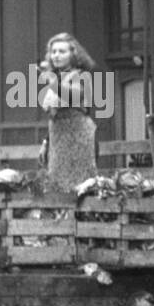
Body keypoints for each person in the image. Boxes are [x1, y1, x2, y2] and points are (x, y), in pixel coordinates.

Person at [39, 32, 99, 192]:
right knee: (56, 186)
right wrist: (46, 141)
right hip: (58, 139)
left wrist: (54, 84)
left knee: (79, 186)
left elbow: (74, 95)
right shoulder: (55, 77)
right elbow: (54, 113)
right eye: (53, 52)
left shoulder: (80, 76)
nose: (56, 55)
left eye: (62, 51)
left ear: (73, 54)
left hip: (78, 137)